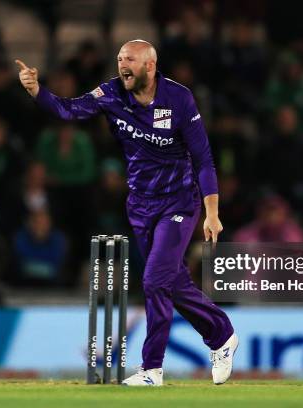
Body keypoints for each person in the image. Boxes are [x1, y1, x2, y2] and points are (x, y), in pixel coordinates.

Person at [16, 39, 236, 386]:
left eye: (129, 59)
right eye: (119, 58)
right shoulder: (110, 93)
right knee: (171, 281)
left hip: (179, 202)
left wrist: (212, 212)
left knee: (152, 281)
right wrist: (38, 91)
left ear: (150, 65)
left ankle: (152, 369)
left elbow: (204, 159)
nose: (122, 65)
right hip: (140, 205)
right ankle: (222, 335)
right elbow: (68, 110)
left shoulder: (179, 98)